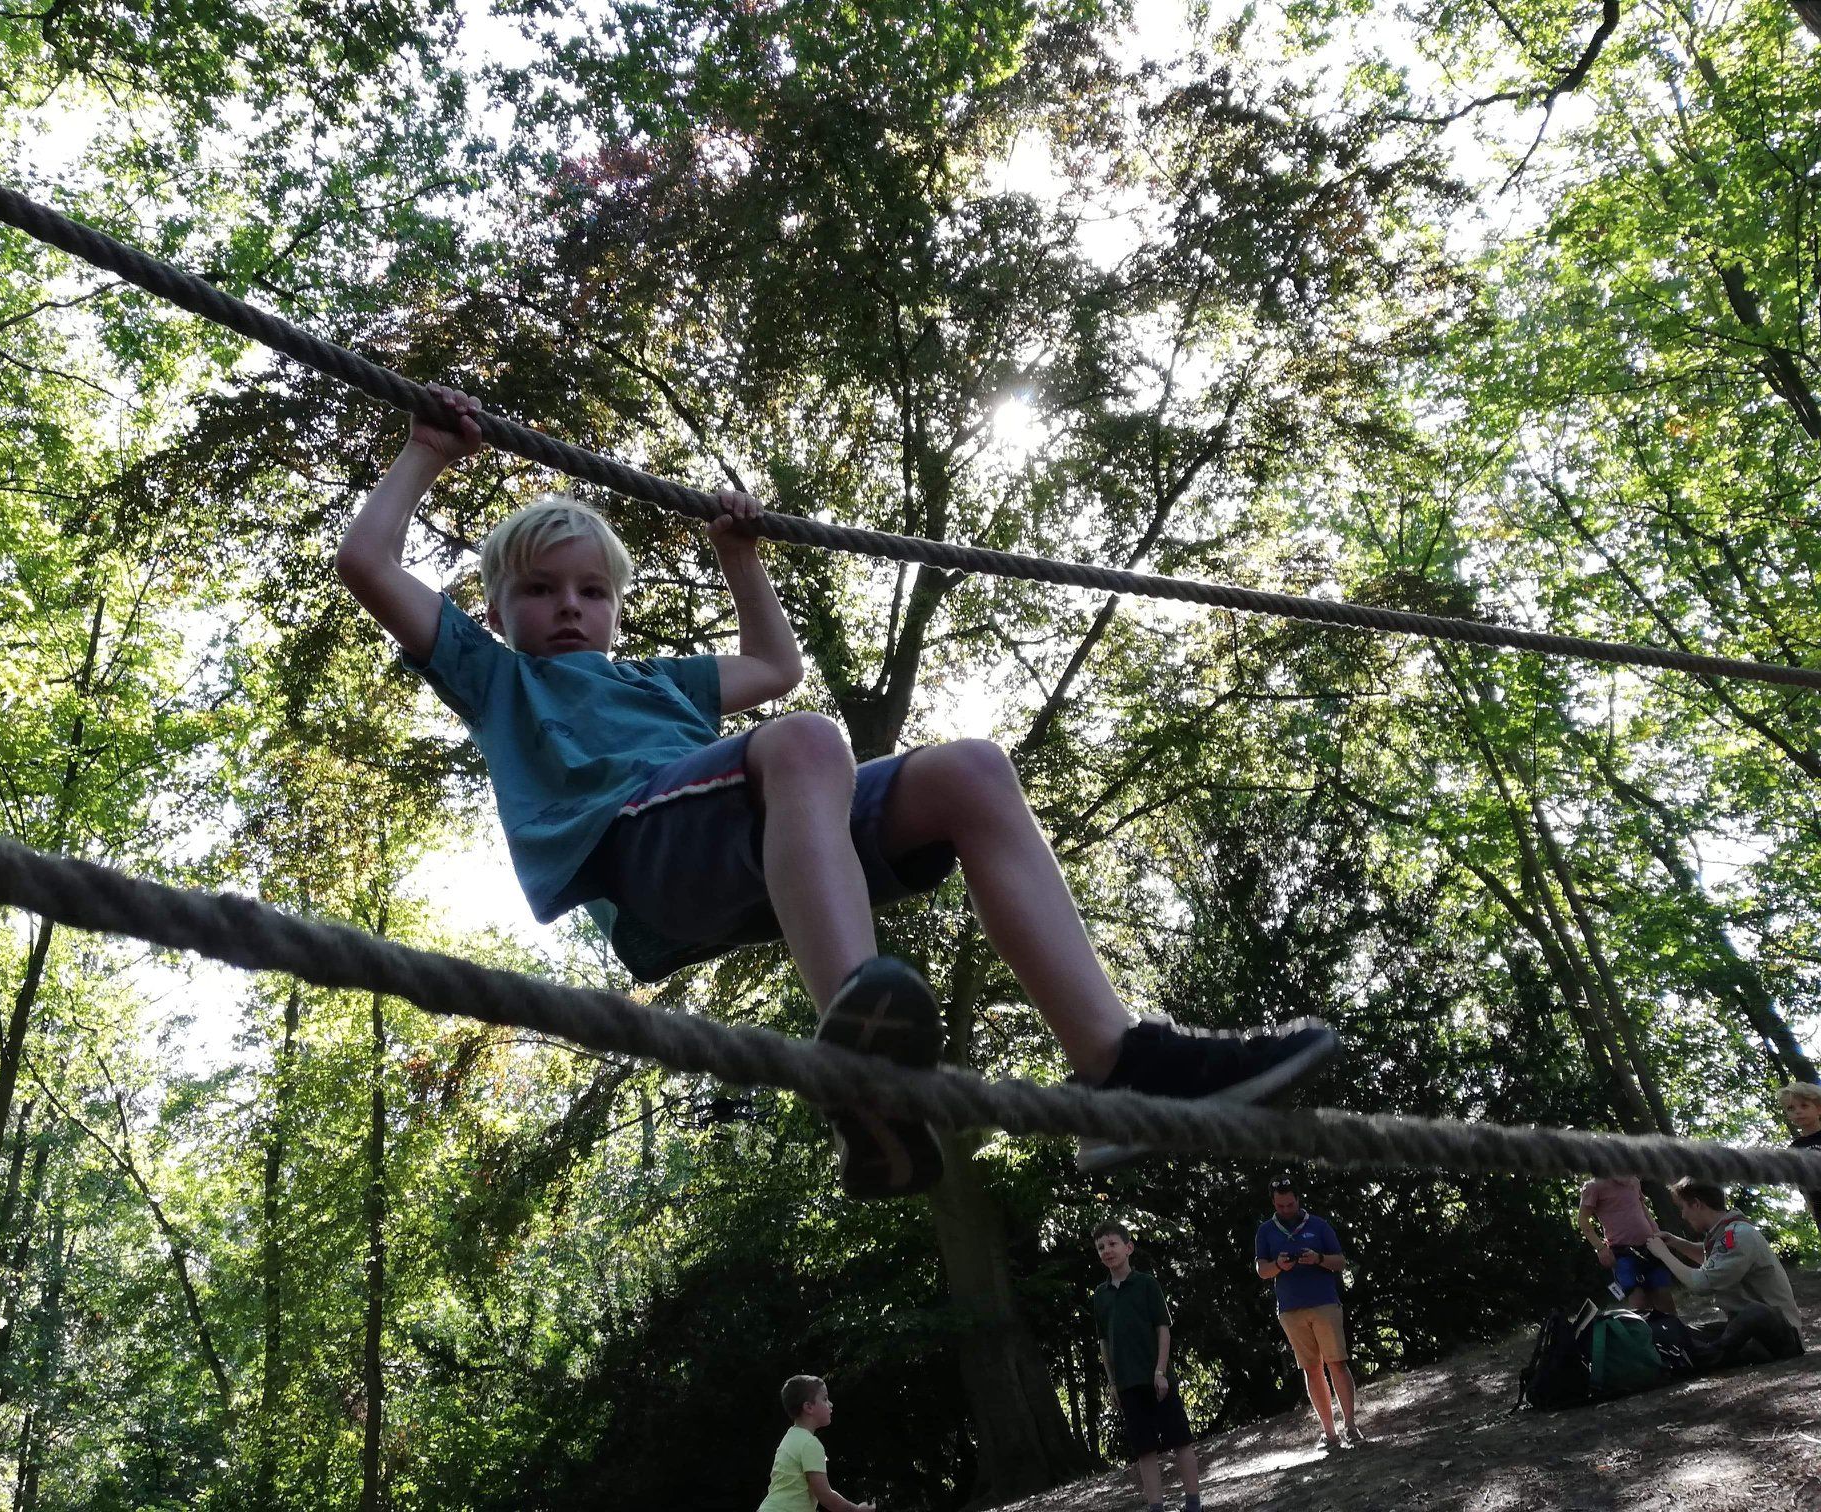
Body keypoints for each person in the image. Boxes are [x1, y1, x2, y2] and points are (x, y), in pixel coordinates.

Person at [334, 386, 1338, 1196]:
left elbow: (772, 668)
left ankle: (1115, 1058)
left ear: (616, 608)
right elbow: (366, 560)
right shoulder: (496, 676)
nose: (567, 608)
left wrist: (739, 558)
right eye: (539, 590)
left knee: (969, 770)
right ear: (499, 606)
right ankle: (860, 1061)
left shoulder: (657, 679)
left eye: (590, 591)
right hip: (642, 859)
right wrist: (424, 451)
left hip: (740, 840)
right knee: (806, 744)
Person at [1090, 1221, 1204, 1512]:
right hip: (1127, 1384)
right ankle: (1156, 1507)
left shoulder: (1147, 1284)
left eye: (1113, 1244)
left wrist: (1160, 1371)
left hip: (1157, 1379)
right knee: (1144, 1449)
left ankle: (1193, 1504)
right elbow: (1104, 1342)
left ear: (1128, 1247)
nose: (1107, 1251)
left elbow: (1163, 1329)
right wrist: (1112, 1382)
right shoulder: (1100, 1295)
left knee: (1180, 1440)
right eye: (1101, 1247)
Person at [1644, 1178, 1804, 1366]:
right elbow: (1716, 1261)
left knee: (1755, 1312)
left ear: (1697, 1204)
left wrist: (1663, 1254)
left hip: (1778, 1333)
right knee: (1683, 1332)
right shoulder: (1727, 1233)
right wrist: (1676, 1243)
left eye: (1683, 1208)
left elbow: (1701, 1284)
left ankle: (1711, 1354)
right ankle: (1708, 1351)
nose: (1683, 1216)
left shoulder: (1739, 1235)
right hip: (1743, 1331)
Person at [1253, 1178, 1361, 1450]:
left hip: (1324, 1302)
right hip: (1290, 1309)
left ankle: (1350, 1425)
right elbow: (1261, 1270)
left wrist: (1319, 1259)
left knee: (1337, 1362)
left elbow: (1340, 1261)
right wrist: (1278, 1265)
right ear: (1273, 1203)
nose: (1286, 1209)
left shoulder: (1319, 1225)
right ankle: (1329, 1433)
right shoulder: (1265, 1231)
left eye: (1290, 1204)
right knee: (1311, 1369)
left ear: (1298, 1199)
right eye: (1280, 1205)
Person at [757, 1376, 873, 1512]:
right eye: (824, 1399)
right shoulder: (810, 1444)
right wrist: (856, 1509)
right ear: (809, 1407)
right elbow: (825, 1495)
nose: (830, 1404)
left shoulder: (790, 1437)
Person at [1574, 1175, 1676, 1313]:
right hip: (1622, 1252)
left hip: (1650, 1246)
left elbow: (1642, 1208)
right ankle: (1647, 1332)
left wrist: (1657, 1233)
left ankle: (1675, 1331)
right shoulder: (1594, 1186)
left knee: (1664, 1296)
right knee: (1638, 1300)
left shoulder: (1633, 1180)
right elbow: (1582, 1220)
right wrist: (1601, 1248)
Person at [1781, 1082, 1821, 1228]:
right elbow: (1802, 1186)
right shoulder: (1794, 1149)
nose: (1798, 1111)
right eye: (1791, 1108)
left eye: (1804, 1106)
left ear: (1819, 1109)